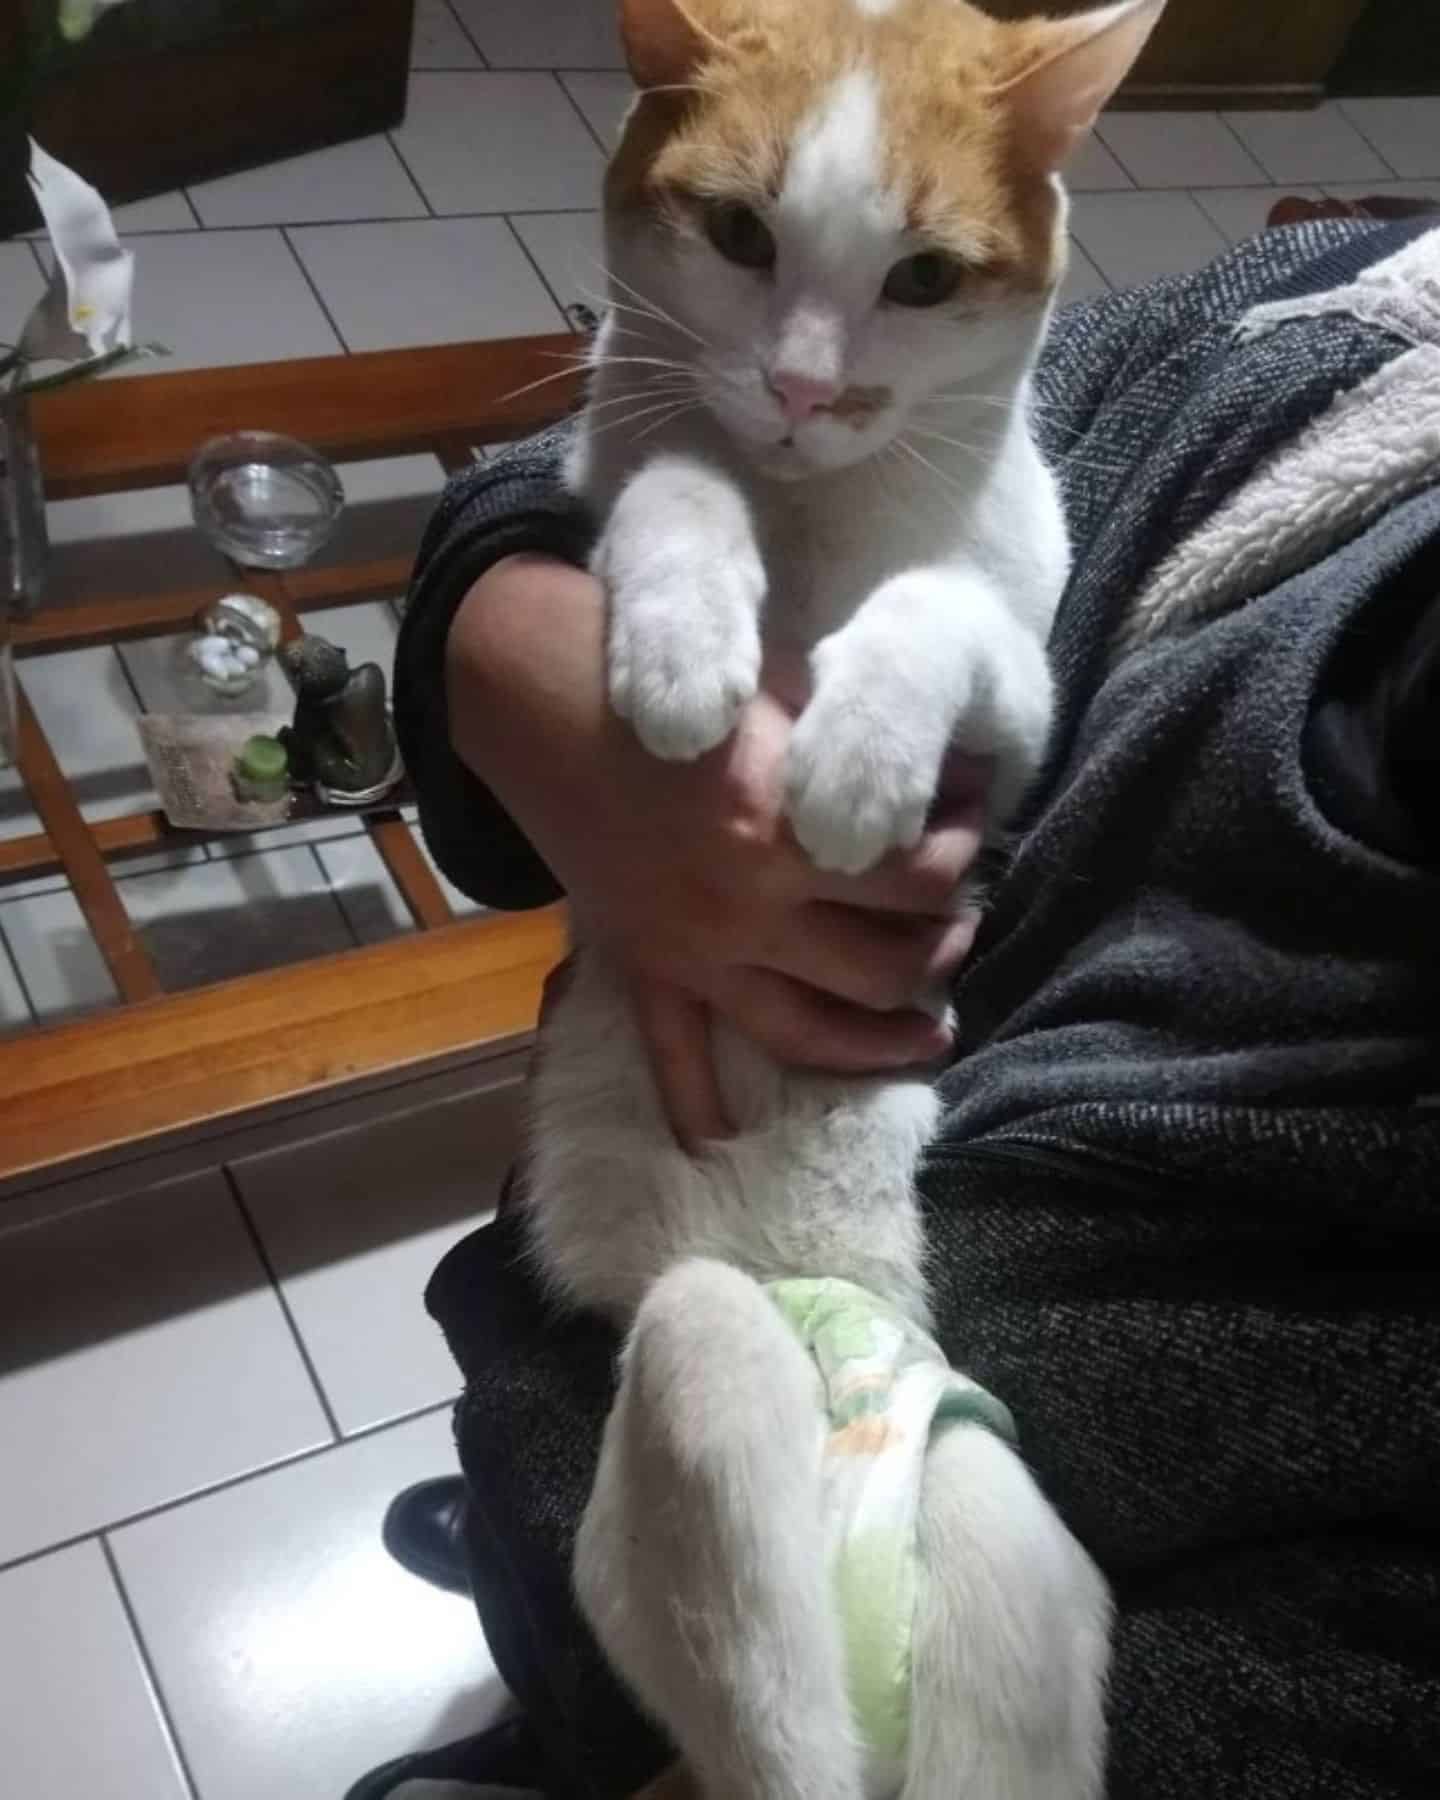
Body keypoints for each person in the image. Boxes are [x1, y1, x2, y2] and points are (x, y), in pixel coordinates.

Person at [350, 213, 1440, 1800]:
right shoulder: (1345, 287)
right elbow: (656, 431)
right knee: (581, 1530)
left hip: (958, 1607)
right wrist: (512, 638)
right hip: (605, 1326)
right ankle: (551, 1642)